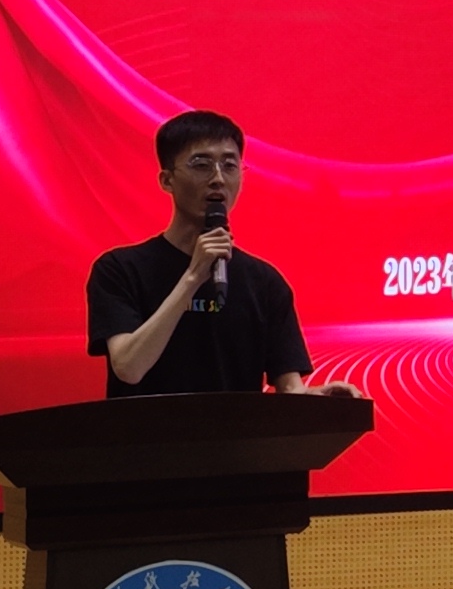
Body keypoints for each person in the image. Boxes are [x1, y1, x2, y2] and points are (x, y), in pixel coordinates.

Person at [88, 110, 363, 398]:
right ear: (167, 180)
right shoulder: (120, 269)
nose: (218, 178)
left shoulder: (265, 282)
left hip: (237, 430)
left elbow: (290, 389)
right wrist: (193, 276)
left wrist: (320, 397)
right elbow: (128, 368)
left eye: (230, 165)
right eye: (202, 165)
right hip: (148, 429)